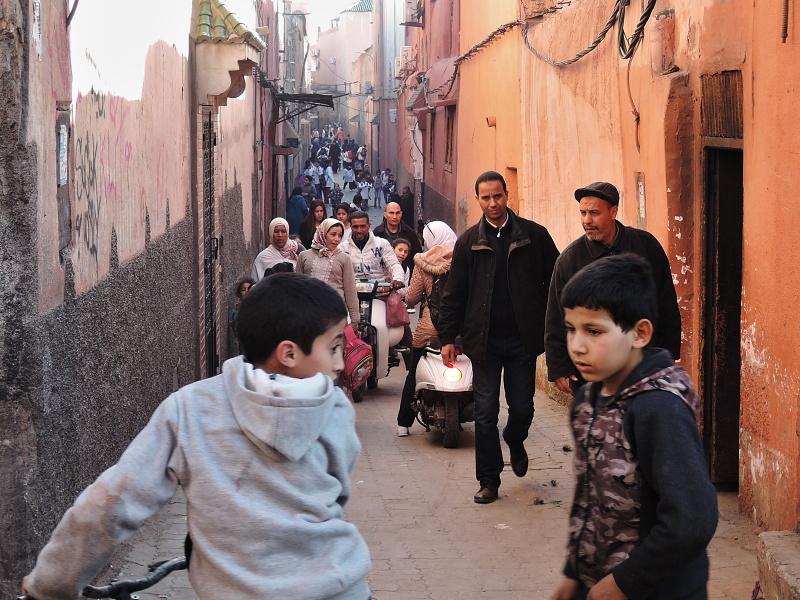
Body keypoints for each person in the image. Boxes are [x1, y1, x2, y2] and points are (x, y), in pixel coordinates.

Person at [21, 273, 373, 599]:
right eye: (333, 348)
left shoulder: (190, 408)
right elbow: (337, 494)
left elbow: (111, 502)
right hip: (339, 586)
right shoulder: (335, 410)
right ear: (289, 353)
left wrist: (50, 584)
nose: (340, 364)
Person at [550, 254, 717, 600]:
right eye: (571, 328)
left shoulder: (659, 408)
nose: (577, 346)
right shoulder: (589, 400)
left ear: (639, 334)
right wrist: (574, 573)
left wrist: (624, 582)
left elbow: (692, 519)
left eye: (594, 331)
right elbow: (590, 498)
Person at [438, 171, 559, 504]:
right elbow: (454, 294)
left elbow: (557, 280)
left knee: (522, 407)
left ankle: (515, 438)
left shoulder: (534, 236)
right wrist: (449, 336)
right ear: (478, 200)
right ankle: (488, 480)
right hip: (484, 341)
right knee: (485, 413)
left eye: (498, 196)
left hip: (522, 341)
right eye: (486, 198)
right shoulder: (468, 243)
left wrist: (553, 326)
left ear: (508, 195)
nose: (493, 203)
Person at [544, 181, 682, 396]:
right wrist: (559, 366)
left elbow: (665, 301)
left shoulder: (645, 247)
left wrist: (668, 353)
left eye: (594, 213)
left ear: (613, 211)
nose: (587, 220)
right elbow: (556, 315)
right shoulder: (570, 261)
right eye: (583, 213)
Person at [396, 222, 458, 437]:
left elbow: (412, 297)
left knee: (413, 372)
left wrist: (417, 299)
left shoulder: (423, 262)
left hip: (429, 329)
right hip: (461, 330)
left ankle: (403, 423)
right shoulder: (463, 258)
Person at [296, 218, 360, 327]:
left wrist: (354, 320)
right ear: (323, 234)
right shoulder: (304, 256)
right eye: (333, 234)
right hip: (309, 314)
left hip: (335, 314)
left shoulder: (344, 258)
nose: (336, 239)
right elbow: (297, 289)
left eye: (340, 235)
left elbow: (350, 291)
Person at [339, 211, 405, 286]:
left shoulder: (382, 244)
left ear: (369, 226)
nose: (359, 230)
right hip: (352, 290)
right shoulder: (342, 248)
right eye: (355, 227)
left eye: (363, 226)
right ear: (350, 226)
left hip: (380, 291)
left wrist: (398, 278)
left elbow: (394, 264)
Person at [373, 202, 423, 276]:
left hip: (406, 275)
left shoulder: (410, 233)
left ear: (401, 214)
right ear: (385, 215)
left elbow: (418, 255)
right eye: (391, 213)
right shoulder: (377, 233)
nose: (394, 216)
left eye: (397, 213)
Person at [229, 276, 255, 342]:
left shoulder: (257, 306)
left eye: (248, 289)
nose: (246, 291)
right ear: (239, 294)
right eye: (243, 290)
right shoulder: (237, 309)